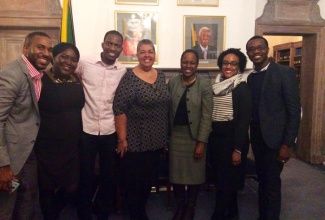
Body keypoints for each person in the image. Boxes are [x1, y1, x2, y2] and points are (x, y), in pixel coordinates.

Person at [113, 39, 169, 220]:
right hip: (136, 141)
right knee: (135, 184)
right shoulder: (130, 78)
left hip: (156, 141)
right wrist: (122, 140)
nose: (147, 55)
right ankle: (137, 215)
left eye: (150, 52)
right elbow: (119, 109)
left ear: (154, 54)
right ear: (137, 55)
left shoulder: (160, 76)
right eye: (143, 52)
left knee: (147, 182)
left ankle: (140, 210)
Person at [246, 36, 301, 220]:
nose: (256, 52)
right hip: (258, 140)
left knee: (271, 184)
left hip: (276, 141)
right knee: (263, 180)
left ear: (266, 49)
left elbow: (294, 112)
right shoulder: (251, 77)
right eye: (251, 49)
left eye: (259, 47)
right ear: (248, 54)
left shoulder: (285, 73)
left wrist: (287, 144)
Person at [0, 31, 52, 219]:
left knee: (27, 199)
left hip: (27, 152)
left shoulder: (37, 76)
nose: (46, 53)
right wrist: (3, 165)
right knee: (6, 206)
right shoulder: (12, 74)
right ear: (25, 48)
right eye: (41, 47)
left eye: (49, 49)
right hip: (10, 157)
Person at [75, 30, 127, 220]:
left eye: (116, 45)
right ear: (103, 44)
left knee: (108, 176)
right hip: (86, 128)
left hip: (109, 130)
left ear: (121, 48)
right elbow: (72, 75)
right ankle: (83, 212)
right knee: (85, 175)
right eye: (109, 44)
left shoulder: (122, 71)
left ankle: (103, 212)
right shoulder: (85, 63)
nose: (112, 48)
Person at [34, 42, 85, 219]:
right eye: (64, 56)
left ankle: (52, 213)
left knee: (72, 187)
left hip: (71, 147)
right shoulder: (40, 80)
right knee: (46, 190)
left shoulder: (77, 80)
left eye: (73, 59)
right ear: (53, 57)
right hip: (46, 147)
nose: (68, 62)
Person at [168, 49, 213, 220]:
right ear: (181, 63)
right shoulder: (172, 82)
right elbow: (167, 111)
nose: (188, 65)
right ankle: (180, 206)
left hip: (195, 137)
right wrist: (166, 137)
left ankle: (190, 207)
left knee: (195, 174)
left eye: (192, 62)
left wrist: (201, 141)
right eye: (185, 62)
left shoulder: (204, 84)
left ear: (197, 65)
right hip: (176, 136)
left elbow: (207, 115)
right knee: (176, 174)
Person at [208, 48, 252, 220]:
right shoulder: (217, 85)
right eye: (226, 62)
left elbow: (243, 122)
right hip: (217, 138)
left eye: (234, 63)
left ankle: (218, 215)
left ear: (239, 66)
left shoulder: (241, 88)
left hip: (233, 137)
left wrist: (238, 149)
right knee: (223, 179)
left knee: (227, 180)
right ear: (220, 64)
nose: (229, 66)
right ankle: (233, 213)